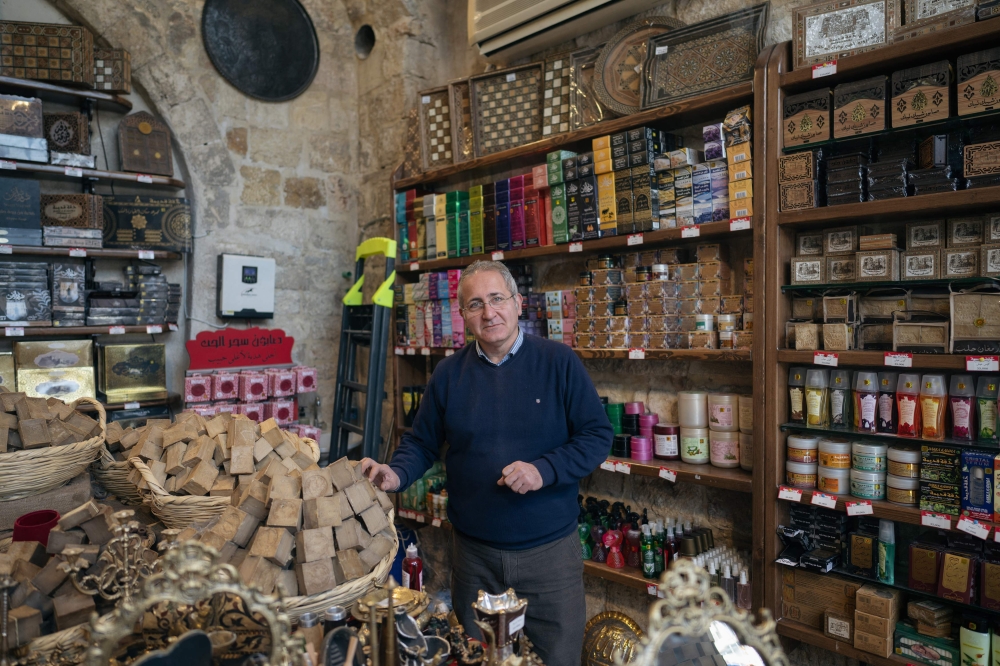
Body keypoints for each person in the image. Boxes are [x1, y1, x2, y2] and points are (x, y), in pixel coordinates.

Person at [361, 260, 612, 666]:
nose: (488, 312)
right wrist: (397, 472)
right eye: (475, 304)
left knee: (558, 658)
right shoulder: (448, 374)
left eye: (497, 299)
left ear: (517, 303)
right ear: (463, 316)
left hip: (548, 556)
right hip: (475, 558)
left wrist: (542, 470)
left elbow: (597, 435)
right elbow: (422, 443)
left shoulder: (558, 362)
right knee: (479, 659)